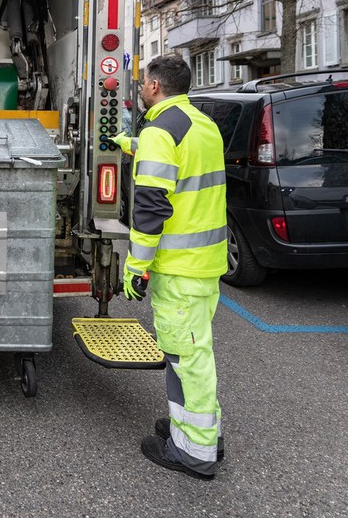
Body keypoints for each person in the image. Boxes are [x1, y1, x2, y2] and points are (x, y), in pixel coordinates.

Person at [108, 54, 228, 480]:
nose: (140, 88)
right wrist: (128, 144)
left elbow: (151, 207)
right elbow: (182, 163)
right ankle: (194, 433)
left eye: (142, 82)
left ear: (155, 86)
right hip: (205, 262)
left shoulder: (161, 130)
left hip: (178, 267)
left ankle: (194, 453)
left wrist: (136, 266)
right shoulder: (200, 124)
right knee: (193, 353)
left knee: (188, 357)